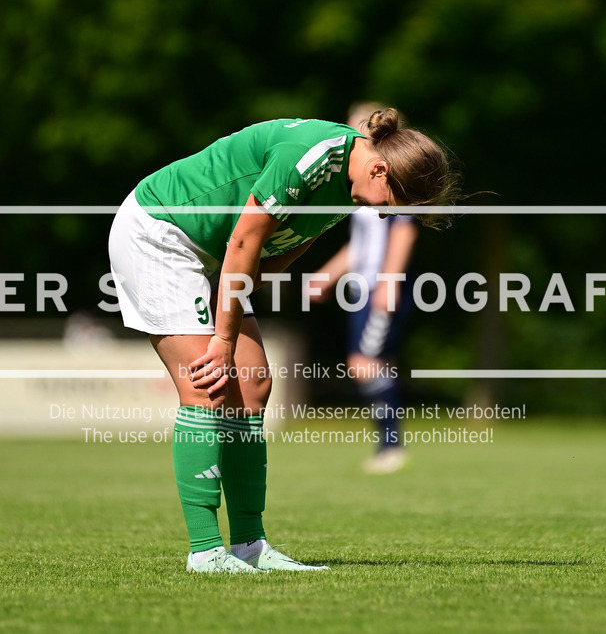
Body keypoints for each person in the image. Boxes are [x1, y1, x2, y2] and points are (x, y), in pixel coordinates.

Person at [109, 109, 461, 573]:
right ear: (380, 168)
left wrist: (239, 308)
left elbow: (283, 249)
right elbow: (243, 242)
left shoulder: (352, 189)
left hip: (212, 254)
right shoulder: (311, 159)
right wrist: (222, 338)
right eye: (394, 202)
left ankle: (250, 547)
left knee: (251, 387)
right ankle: (205, 551)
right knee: (207, 385)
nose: (388, 213)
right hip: (160, 233)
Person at [312, 102, 419, 475]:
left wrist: (388, 283)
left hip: (378, 288)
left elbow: (403, 229)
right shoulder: (359, 182)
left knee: (363, 364)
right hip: (363, 287)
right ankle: (389, 444)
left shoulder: (393, 177)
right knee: (377, 365)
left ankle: (391, 446)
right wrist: (327, 274)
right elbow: (359, 245)